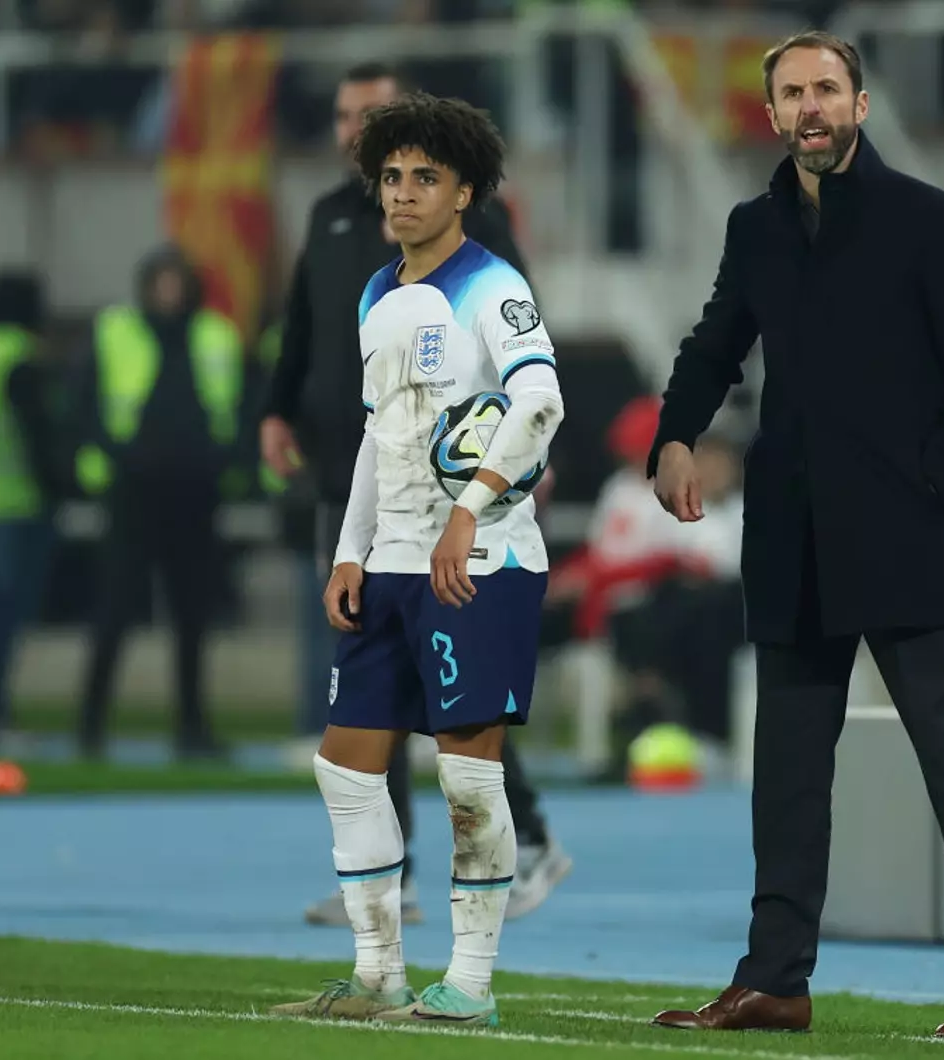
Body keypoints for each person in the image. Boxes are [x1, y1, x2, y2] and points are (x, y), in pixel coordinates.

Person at [646, 31, 944, 1040]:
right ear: (774, 114)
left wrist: (927, 486)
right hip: (791, 539)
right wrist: (673, 435)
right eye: (792, 93)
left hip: (903, 536)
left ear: (860, 105)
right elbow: (714, 344)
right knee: (786, 778)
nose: (811, 106)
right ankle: (774, 979)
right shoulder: (756, 227)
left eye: (828, 88)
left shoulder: (931, 220)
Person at [270, 91, 565, 1026]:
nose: (402, 194)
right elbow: (378, 433)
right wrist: (349, 550)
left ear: (464, 189)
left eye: (423, 178)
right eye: (391, 177)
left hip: (480, 564)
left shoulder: (496, 287)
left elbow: (541, 404)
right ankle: (376, 975)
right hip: (389, 563)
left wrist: (468, 513)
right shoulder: (374, 292)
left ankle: (470, 985)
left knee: (468, 776)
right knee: (347, 767)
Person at [74, 247, 241, 760]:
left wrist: (220, 460)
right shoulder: (113, 331)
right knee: (116, 610)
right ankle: (90, 727)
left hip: (193, 492)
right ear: (145, 286)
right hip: (133, 491)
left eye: (177, 283)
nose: (169, 293)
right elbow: (85, 403)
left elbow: (238, 403)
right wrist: (116, 456)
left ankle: (192, 728)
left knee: (191, 615)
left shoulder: (216, 334)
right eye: (161, 283)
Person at [0, 271, 60, 755]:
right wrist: (60, 487)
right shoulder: (19, 359)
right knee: (1, 621)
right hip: (11, 507)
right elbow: (37, 436)